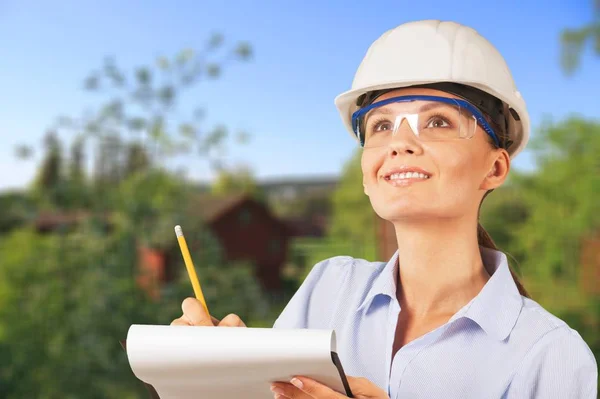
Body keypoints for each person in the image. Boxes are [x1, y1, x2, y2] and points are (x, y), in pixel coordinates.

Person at [171, 20, 598, 399]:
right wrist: (224, 381)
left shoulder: (550, 355)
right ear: (366, 173)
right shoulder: (328, 288)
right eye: (380, 125)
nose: (400, 142)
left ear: (495, 167)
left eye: (437, 122)